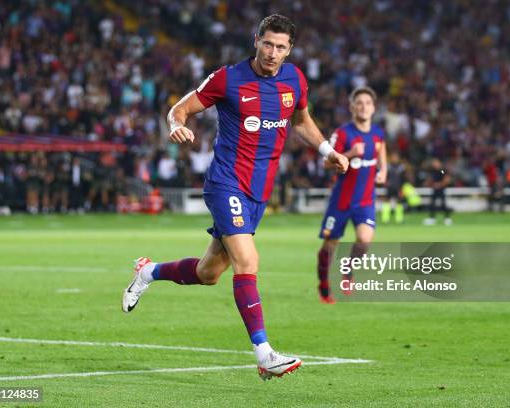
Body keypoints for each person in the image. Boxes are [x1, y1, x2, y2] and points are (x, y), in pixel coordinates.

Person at [121, 14, 348, 380]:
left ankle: (148, 272)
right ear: (256, 40)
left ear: (290, 50)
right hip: (226, 183)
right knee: (248, 260)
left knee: (208, 273)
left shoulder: (295, 80)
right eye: (268, 44)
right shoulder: (229, 78)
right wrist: (176, 125)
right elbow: (180, 108)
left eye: (281, 47)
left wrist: (327, 151)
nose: (273, 53)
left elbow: (301, 120)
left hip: (259, 192)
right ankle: (264, 353)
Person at [316, 87, 387, 304]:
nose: (364, 106)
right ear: (352, 107)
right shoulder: (343, 133)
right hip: (341, 201)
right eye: (359, 103)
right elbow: (325, 162)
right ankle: (324, 285)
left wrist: (383, 171)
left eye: (368, 103)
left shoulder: (378, 133)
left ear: (373, 108)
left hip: (365, 201)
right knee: (330, 246)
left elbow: (382, 155)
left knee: (364, 241)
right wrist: (348, 154)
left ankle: (347, 271)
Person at [423, 158, 453, 225]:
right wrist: (428, 183)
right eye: (434, 163)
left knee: (443, 204)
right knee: (432, 204)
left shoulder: (442, 170)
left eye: (436, 162)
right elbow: (430, 179)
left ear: (439, 163)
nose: (434, 164)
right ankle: (432, 218)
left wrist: (440, 184)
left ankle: (447, 219)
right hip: (434, 189)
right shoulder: (433, 171)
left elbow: (447, 178)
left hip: (441, 189)